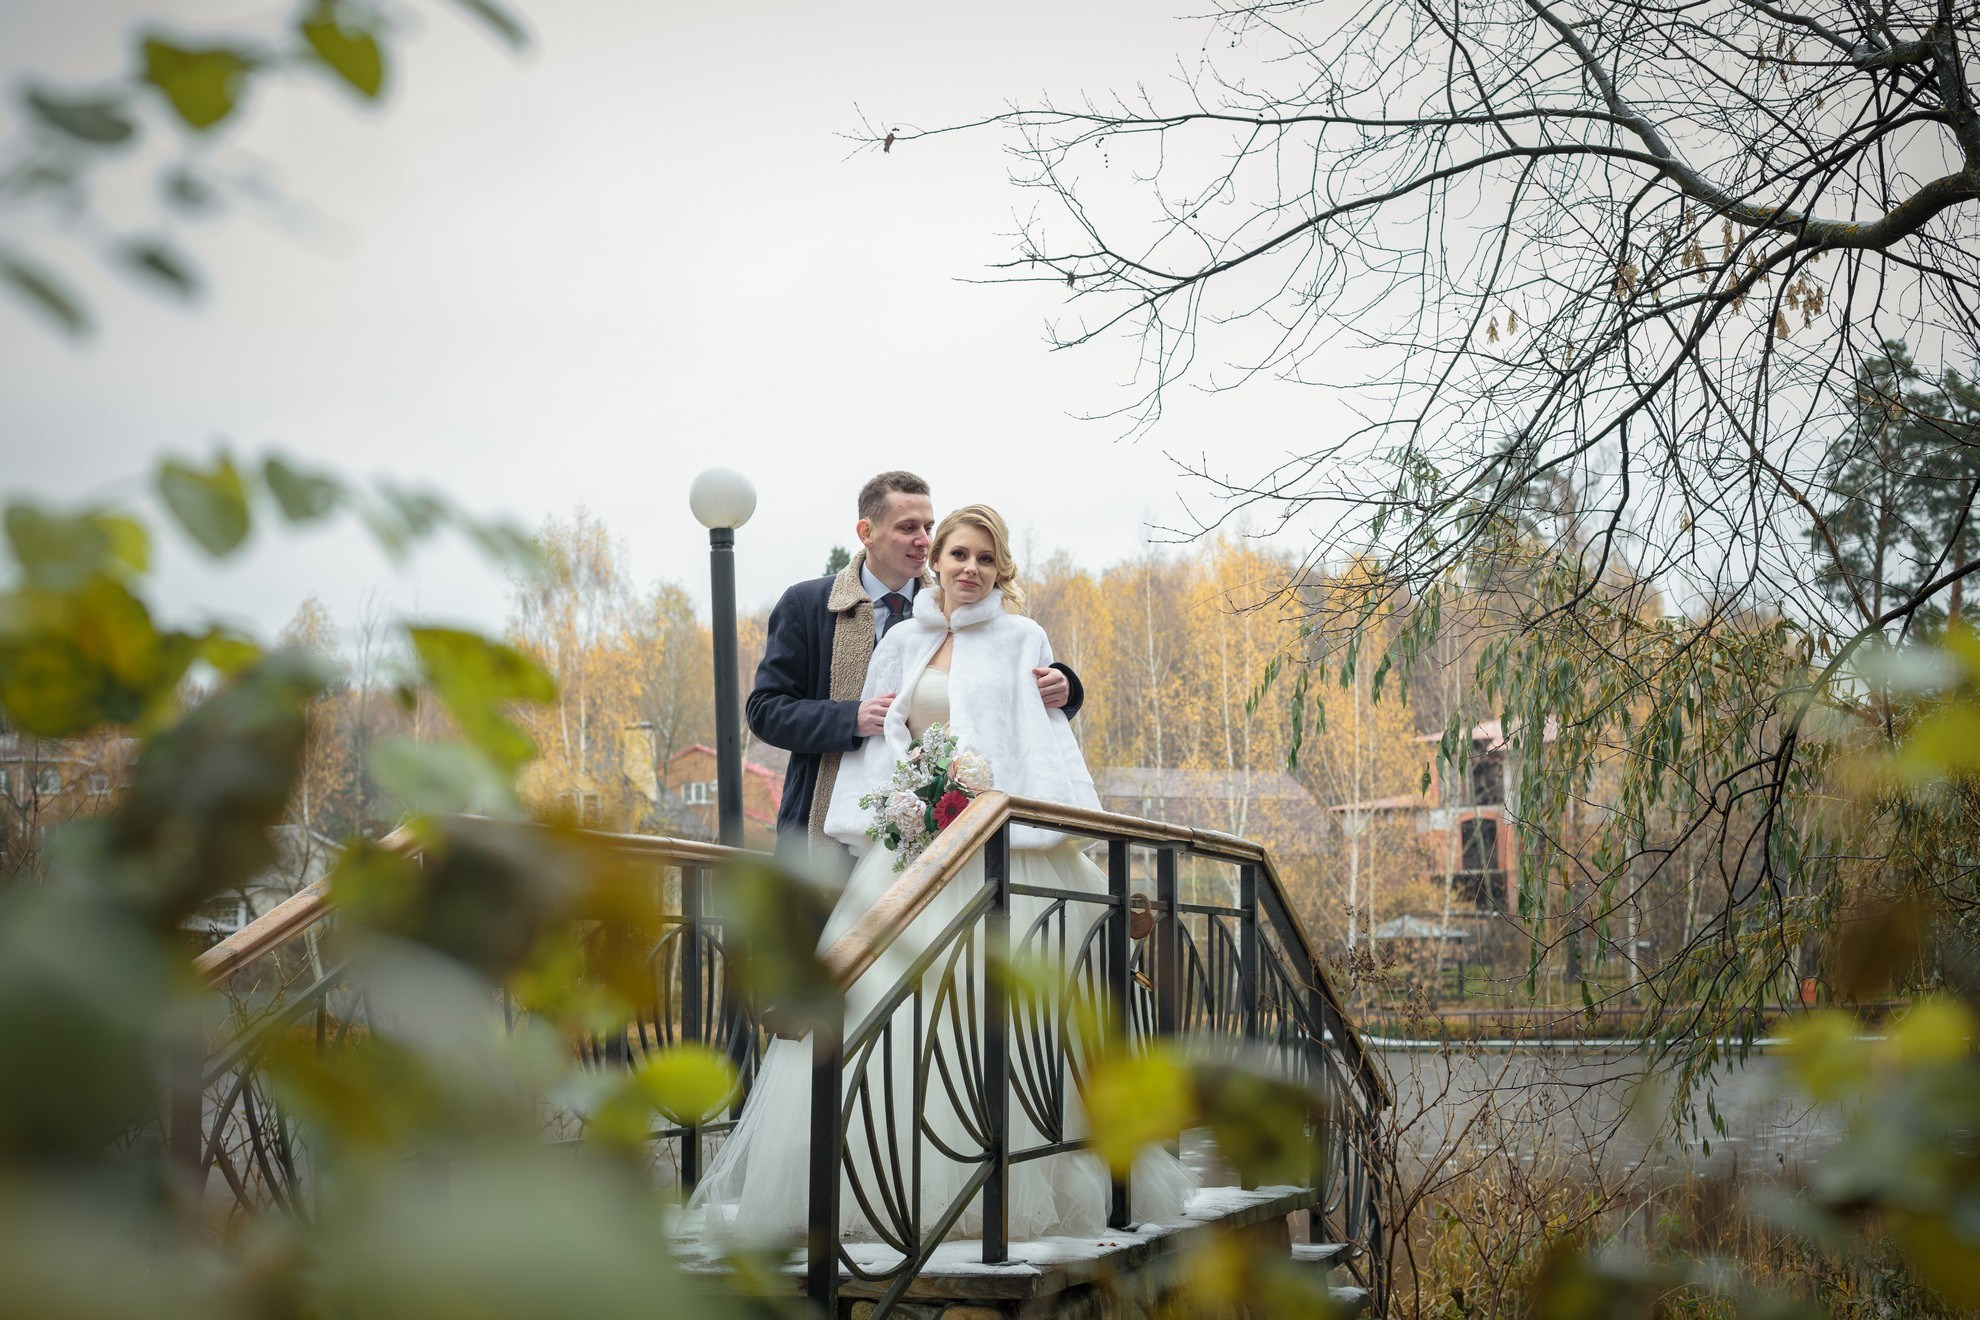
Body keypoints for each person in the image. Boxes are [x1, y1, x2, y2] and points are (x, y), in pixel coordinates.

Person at [688, 504, 1196, 1247]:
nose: (969, 568)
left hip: (1004, 849)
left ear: (1001, 569)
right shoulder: (902, 639)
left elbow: (1043, 738)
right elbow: (884, 744)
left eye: (985, 559)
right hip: (914, 854)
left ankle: (1014, 1188)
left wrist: (1064, 698)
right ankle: (878, 1187)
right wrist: (895, 811)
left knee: (1012, 1019)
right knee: (886, 1007)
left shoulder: (1024, 638)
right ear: (938, 561)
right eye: (957, 553)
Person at [747, 471, 1083, 857]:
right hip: (822, 826)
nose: (923, 540)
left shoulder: (960, 602)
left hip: (936, 829)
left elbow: (1005, 689)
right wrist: (849, 719)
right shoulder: (808, 605)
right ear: (866, 532)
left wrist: (1067, 688)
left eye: (928, 526)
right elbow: (764, 710)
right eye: (908, 527)